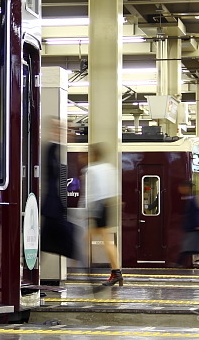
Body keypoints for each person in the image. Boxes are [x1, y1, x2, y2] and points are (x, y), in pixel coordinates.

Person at [85, 142, 122, 287]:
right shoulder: (110, 169)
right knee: (104, 240)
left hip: (98, 206)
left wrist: (88, 212)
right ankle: (116, 272)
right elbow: (116, 191)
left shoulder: (91, 170)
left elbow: (91, 193)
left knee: (86, 238)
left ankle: (85, 271)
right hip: (107, 205)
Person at [40, 119, 78, 260]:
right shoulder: (49, 149)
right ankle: (85, 273)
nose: (61, 131)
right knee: (71, 243)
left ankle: (28, 270)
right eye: (58, 128)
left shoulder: (56, 152)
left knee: (44, 244)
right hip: (52, 207)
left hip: (54, 207)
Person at [175, 181, 199, 269]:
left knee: (188, 247)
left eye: (182, 188)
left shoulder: (192, 199)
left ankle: (179, 263)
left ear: (187, 189)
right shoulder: (189, 198)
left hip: (194, 227)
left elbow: (197, 212)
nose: (180, 189)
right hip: (193, 227)